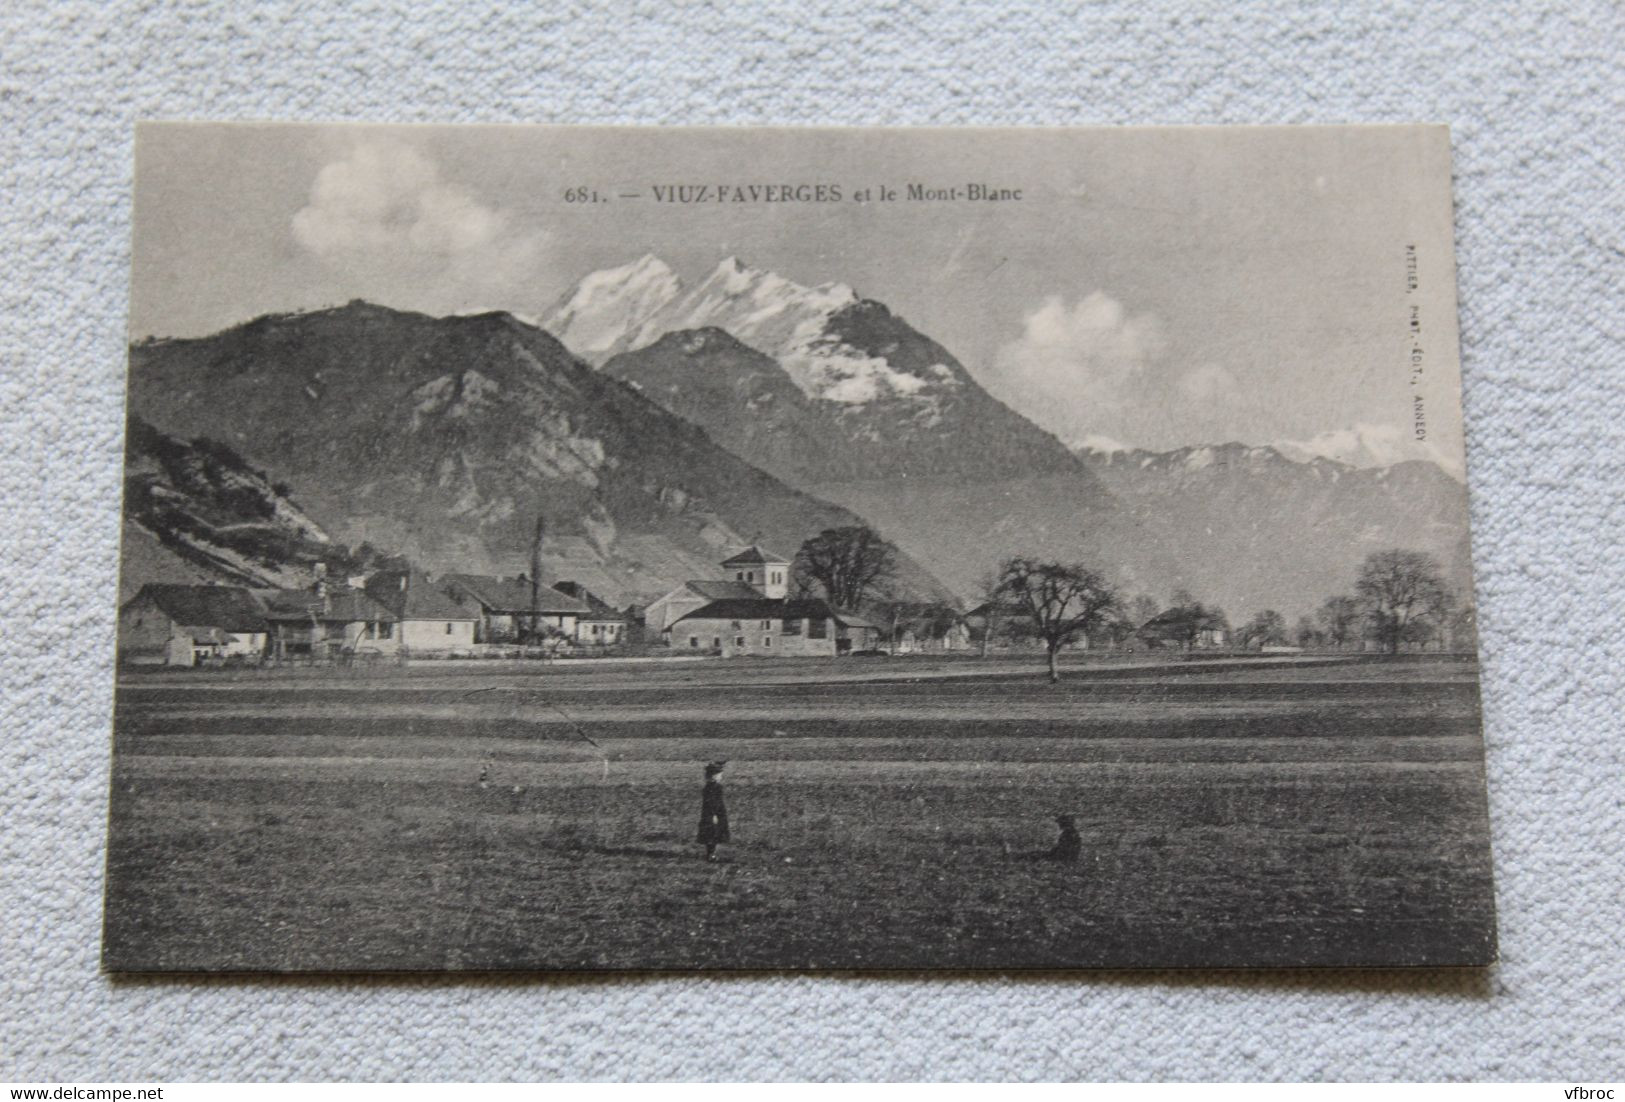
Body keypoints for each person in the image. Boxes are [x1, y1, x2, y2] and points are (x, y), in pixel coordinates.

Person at [697, 761, 730, 861]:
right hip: (713, 814)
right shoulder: (714, 788)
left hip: (713, 813)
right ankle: (711, 854)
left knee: (712, 834)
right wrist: (714, 815)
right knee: (712, 834)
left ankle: (711, 853)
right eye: (719, 775)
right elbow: (712, 803)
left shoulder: (710, 787)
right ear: (714, 776)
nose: (721, 777)